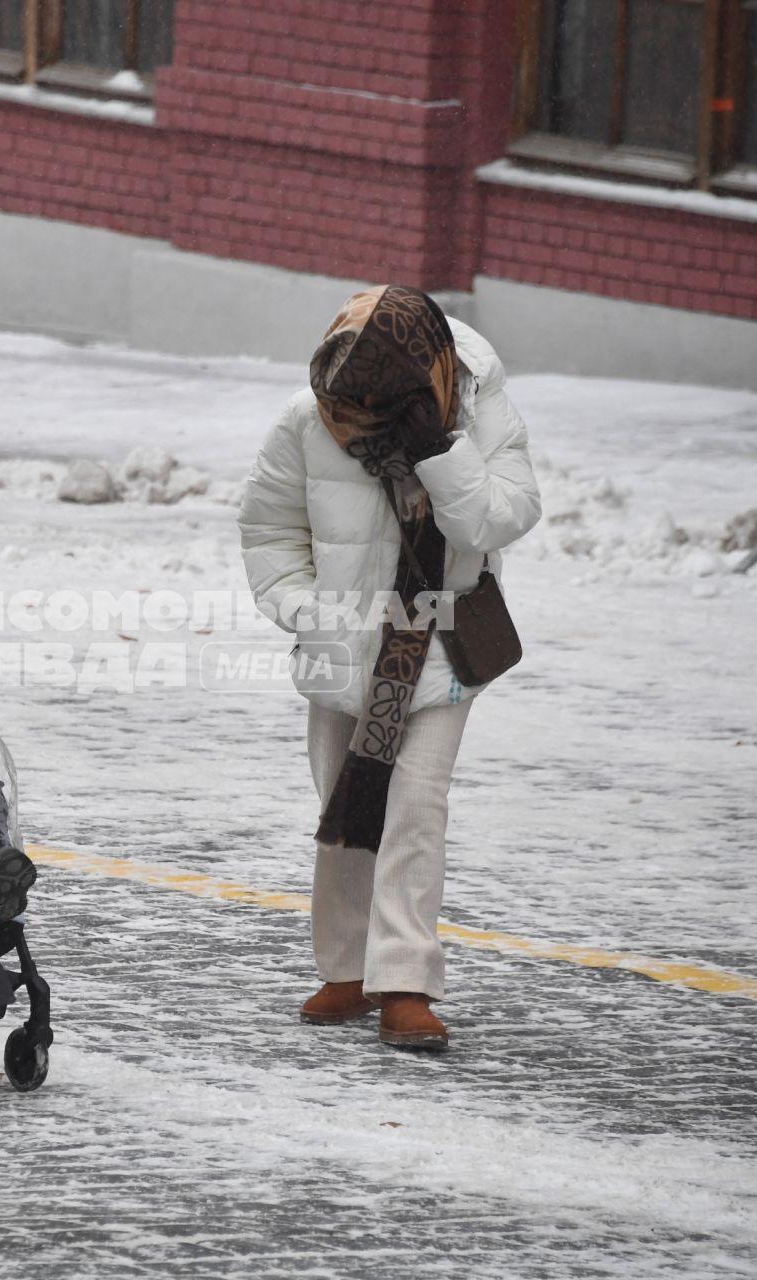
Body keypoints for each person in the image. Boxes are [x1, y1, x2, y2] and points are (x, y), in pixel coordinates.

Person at [238, 286, 541, 1051]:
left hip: (440, 645)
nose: (352, 420)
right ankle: (346, 967)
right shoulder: (312, 414)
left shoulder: (474, 412)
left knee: (414, 807)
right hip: (344, 648)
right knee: (346, 807)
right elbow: (270, 528)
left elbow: (497, 517)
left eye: (373, 409)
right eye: (346, 406)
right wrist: (309, 611)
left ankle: (405, 981)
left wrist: (441, 452)